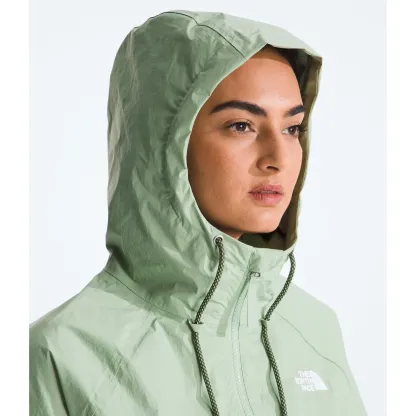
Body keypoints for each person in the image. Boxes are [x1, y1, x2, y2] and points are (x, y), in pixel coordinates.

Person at [29, 9, 368, 416]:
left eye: (292, 128)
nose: (278, 158)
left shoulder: (315, 331)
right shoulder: (63, 353)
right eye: (242, 125)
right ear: (163, 142)